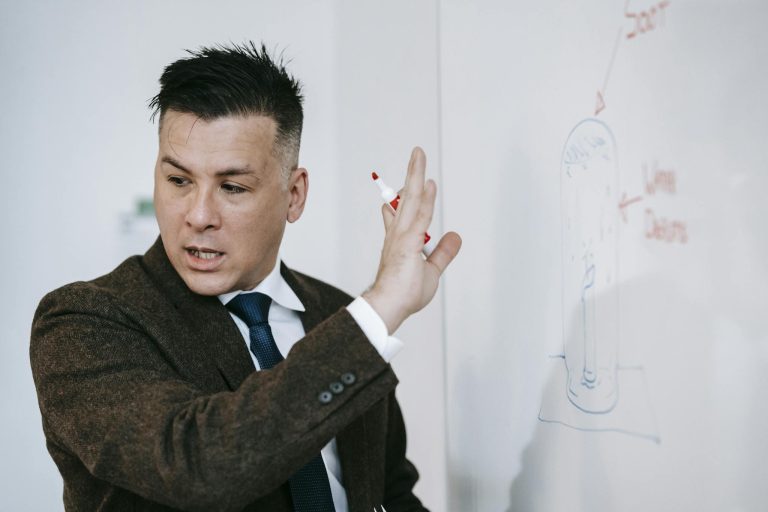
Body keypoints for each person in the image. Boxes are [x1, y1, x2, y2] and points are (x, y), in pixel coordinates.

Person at [30, 42, 461, 512]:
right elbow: (199, 466)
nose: (197, 215)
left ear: (294, 195)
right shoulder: (84, 321)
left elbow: (389, 493)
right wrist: (381, 308)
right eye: (178, 181)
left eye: (231, 187)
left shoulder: (336, 316)